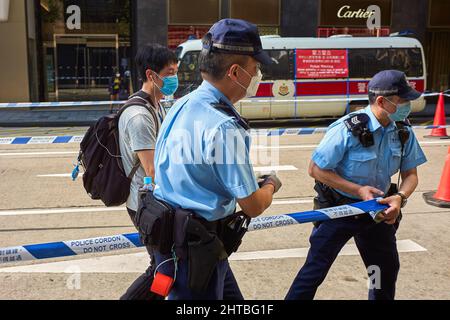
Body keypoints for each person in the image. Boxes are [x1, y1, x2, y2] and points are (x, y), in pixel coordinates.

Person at [151, 18, 282, 300]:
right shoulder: (224, 126)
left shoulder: (182, 104)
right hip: (198, 249)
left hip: (175, 241)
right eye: (256, 68)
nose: (258, 75)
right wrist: (271, 184)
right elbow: (253, 205)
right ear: (235, 72)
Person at [285, 70, 427, 300]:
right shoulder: (347, 129)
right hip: (338, 209)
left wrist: (400, 196)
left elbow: (411, 174)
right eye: (403, 100)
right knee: (315, 271)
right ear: (382, 101)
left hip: (377, 210)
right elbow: (315, 169)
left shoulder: (402, 130)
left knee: (383, 270)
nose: (408, 105)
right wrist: (357, 190)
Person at [119, 44, 178, 300]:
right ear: (151, 74)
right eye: (170, 72)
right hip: (146, 204)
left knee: (166, 268)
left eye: (176, 70)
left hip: (154, 201)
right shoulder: (139, 116)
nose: (175, 77)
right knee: (163, 268)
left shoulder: (157, 105)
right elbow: (152, 168)